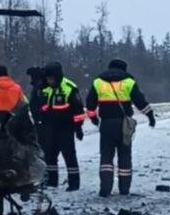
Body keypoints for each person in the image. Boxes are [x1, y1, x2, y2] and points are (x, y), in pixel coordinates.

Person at [85, 59, 155, 197]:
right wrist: (150, 116)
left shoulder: (98, 82)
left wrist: (94, 118)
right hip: (124, 125)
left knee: (106, 156)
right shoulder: (128, 82)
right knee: (124, 156)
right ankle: (124, 189)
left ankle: (105, 189)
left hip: (106, 124)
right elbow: (140, 101)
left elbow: (90, 104)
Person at [34, 62, 85, 191]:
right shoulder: (43, 88)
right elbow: (37, 105)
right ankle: (52, 181)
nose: (50, 81)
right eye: (48, 78)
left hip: (66, 128)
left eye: (52, 78)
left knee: (69, 156)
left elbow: (78, 110)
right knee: (50, 156)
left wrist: (78, 128)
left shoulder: (70, 87)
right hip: (49, 128)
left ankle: (74, 183)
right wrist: (39, 120)